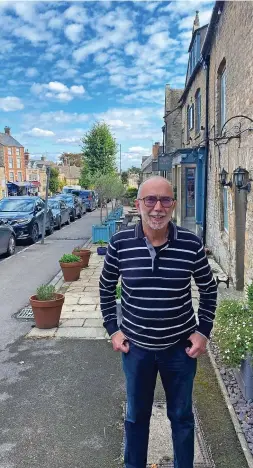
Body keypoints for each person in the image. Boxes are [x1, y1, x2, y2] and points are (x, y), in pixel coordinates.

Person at [99, 176, 217, 468]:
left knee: (181, 417)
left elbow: (209, 287)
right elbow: (105, 286)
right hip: (136, 349)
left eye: (165, 200)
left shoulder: (190, 244)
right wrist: (113, 330)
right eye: (150, 200)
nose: (157, 208)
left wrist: (203, 332)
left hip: (179, 349)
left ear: (173, 205)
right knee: (136, 417)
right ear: (138, 204)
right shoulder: (120, 243)